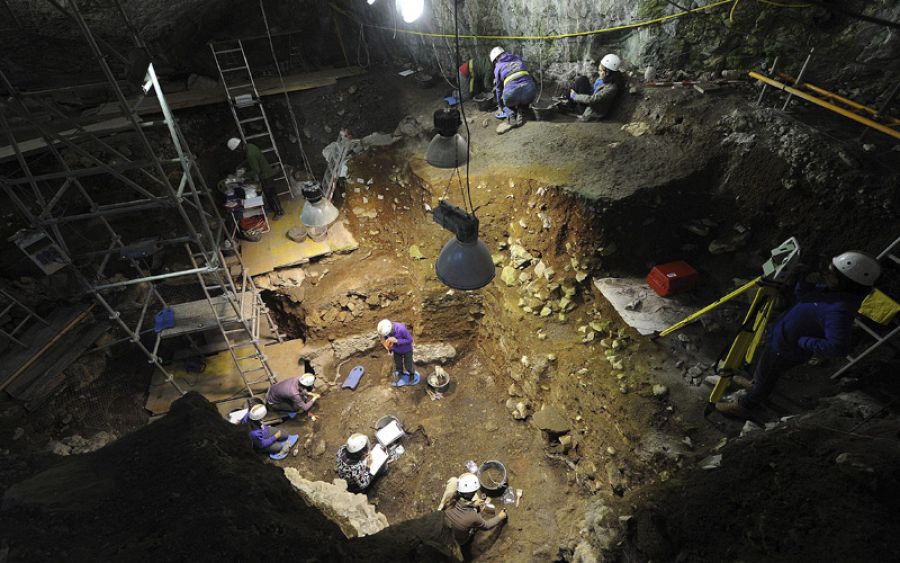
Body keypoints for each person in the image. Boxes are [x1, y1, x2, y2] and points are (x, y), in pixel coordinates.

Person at [716, 250, 882, 419]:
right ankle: (755, 383)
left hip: (786, 350)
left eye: (832, 274)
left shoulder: (839, 310)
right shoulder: (830, 292)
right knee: (765, 367)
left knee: (768, 374)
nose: (826, 275)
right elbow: (803, 296)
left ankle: (746, 405)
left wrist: (803, 341)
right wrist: (804, 280)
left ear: (847, 282)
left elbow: (838, 347)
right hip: (781, 340)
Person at [442, 473, 507, 555]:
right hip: (459, 540)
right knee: (474, 525)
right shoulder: (472, 516)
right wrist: (500, 516)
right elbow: (487, 526)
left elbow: (461, 505)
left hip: (444, 532)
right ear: (472, 493)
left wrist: (473, 504)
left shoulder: (449, 499)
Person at [227, 137, 284, 218]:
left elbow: (256, 171)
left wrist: (243, 176)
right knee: (268, 193)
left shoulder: (250, 154)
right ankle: (273, 208)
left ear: (238, 148)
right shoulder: (250, 146)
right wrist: (242, 166)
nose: (238, 152)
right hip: (266, 171)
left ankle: (279, 212)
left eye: (236, 150)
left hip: (265, 175)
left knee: (271, 194)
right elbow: (252, 160)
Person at [565, 53, 625, 121]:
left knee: (575, 88)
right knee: (583, 79)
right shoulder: (605, 78)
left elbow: (592, 99)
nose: (598, 72)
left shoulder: (611, 88)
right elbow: (595, 90)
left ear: (607, 72)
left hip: (590, 110)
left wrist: (575, 96)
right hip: (591, 101)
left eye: (600, 70)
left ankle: (570, 105)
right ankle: (569, 103)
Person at [490, 46, 538, 131]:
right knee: (524, 99)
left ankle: (511, 113)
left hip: (511, 93)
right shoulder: (517, 58)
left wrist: (500, 105)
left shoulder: (498, 66)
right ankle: (522, 110)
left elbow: (498, 89)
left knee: (506, 103)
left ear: (496, 59)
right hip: (529, 90)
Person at [377, 318, 418, 386]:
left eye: (389, 334)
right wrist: (389, 349)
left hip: (407, 350)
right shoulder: (386, 331)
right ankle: (400, 373)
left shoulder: (401, 329)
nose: (388, 335)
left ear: (391, 329)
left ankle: (411, 374)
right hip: (396, 350)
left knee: (408, 365)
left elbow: (410, 340)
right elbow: (387, 339)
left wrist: (397, 341)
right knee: (398, 364)